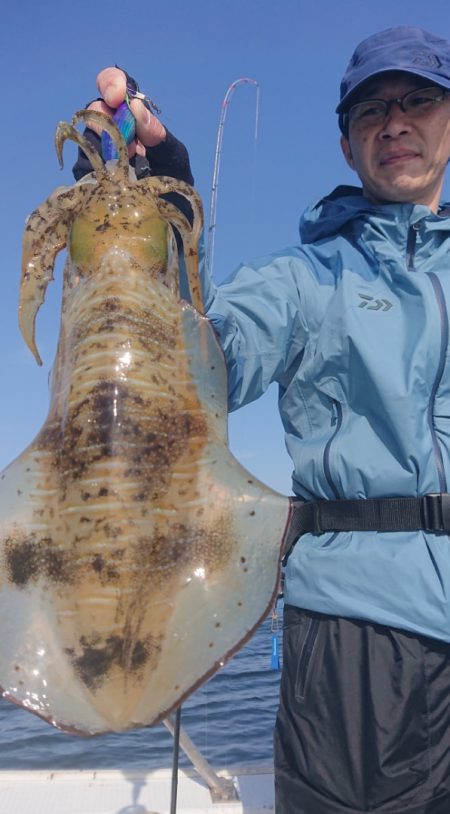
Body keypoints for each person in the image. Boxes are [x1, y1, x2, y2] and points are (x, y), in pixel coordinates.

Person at [75, 26, 450, 814]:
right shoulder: (301, 279)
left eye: (419, 100)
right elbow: (192, 369)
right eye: (370, 111)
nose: (396, 123)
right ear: (348, 147)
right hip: (365, 635)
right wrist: (157, 214)